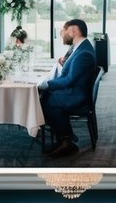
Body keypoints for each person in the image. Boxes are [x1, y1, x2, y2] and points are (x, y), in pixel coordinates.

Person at [38, 19, 97, 158]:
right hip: (76, 89)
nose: (62, 35)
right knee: (44, 97)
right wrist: (65, 63)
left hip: (77, 94)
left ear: (73, 30)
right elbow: (74, 71)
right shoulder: (80, 47)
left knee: (45, 101)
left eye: (64, 31)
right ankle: (65, 135)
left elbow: (70, 80)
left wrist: (48, 84)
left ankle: (66, 140)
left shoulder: (84, 53)